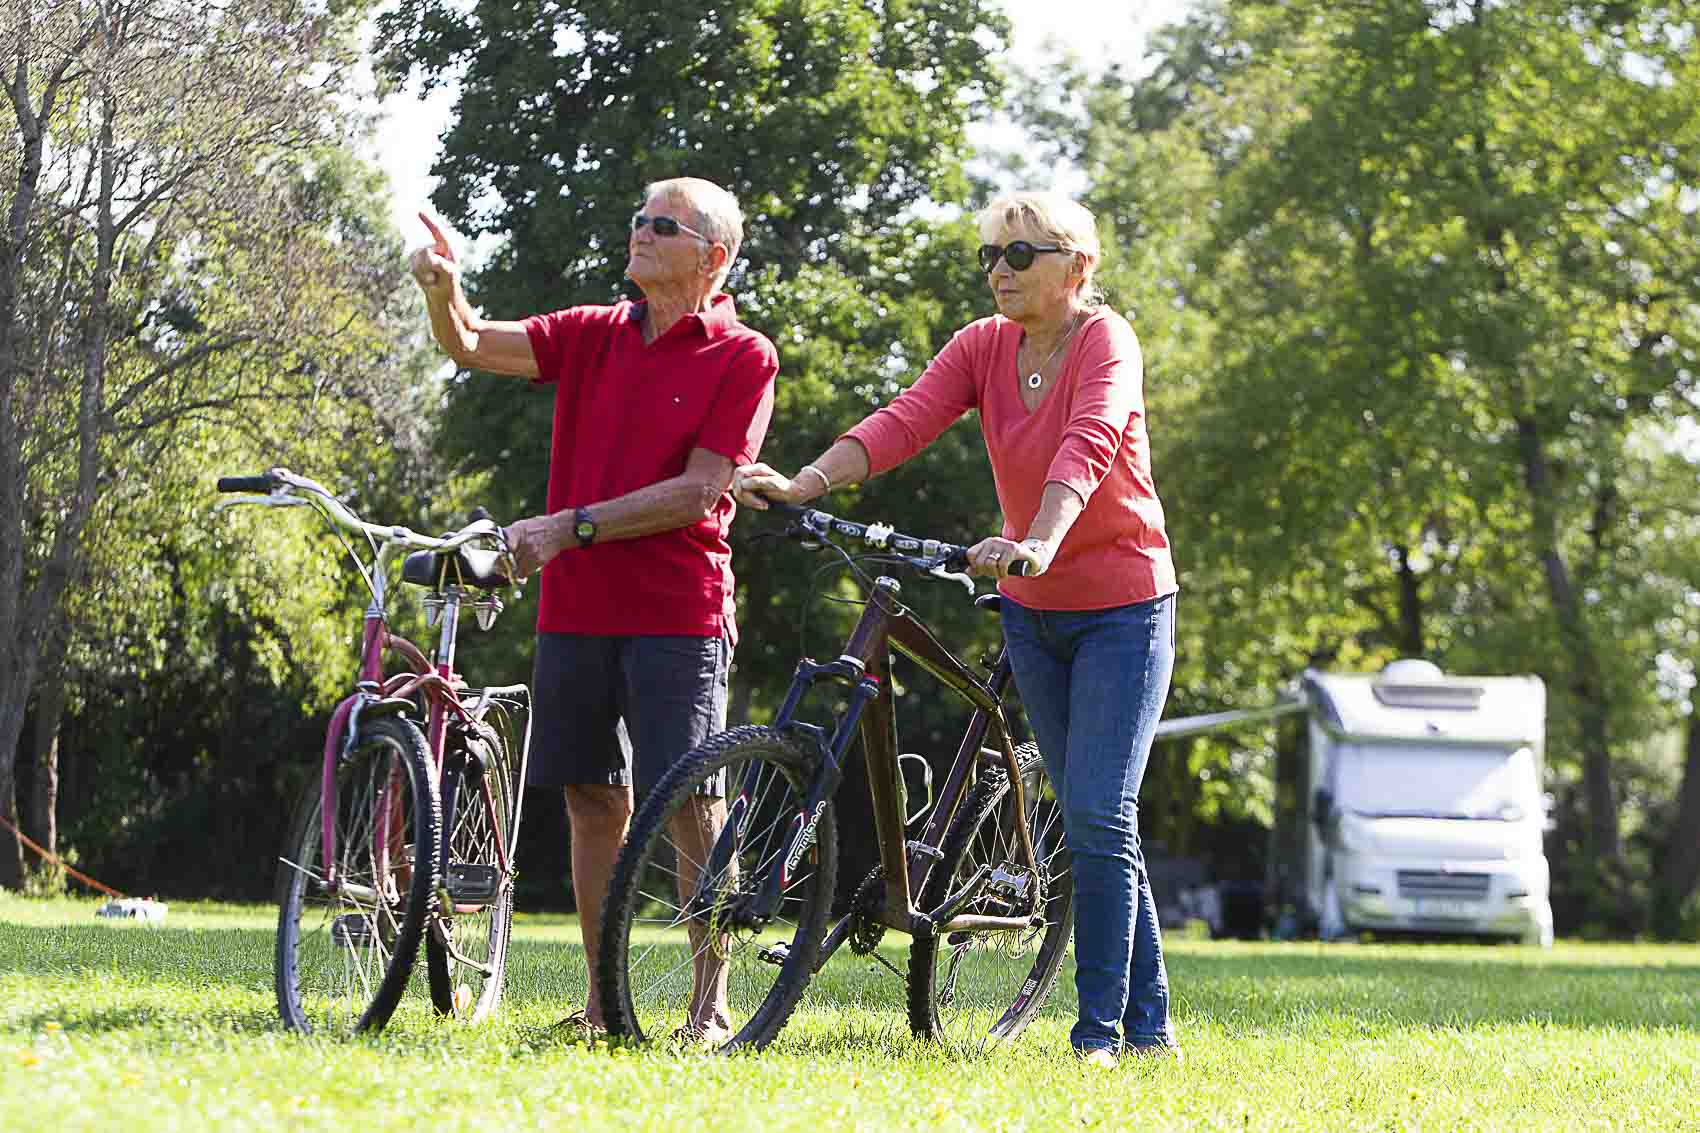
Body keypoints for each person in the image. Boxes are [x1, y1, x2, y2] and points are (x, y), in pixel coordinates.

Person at [733, 192, 1178, 1066]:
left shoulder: (1105, 340)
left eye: (1021, 254)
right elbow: (906, 419)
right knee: (1099, 816)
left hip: (1124, 608)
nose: (999, 271)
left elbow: (1088, 441)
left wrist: (1039, 538)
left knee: (1097, 810)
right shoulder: (983, 345)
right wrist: (804, 483)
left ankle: (1098, 1036)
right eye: (990, 256)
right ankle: (1151, 1024)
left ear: (1077, 267)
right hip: (1033, 611)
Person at [409, 177, 778, 1045]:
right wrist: (442, 289)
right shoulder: (591, 333)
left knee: (688, 796)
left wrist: (571, 527)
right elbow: (467, 344)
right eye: (637, 217)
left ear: (711, 256)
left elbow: (697, 493)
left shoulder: (742, 354)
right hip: (576, 610)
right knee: (589, 798)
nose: (639, 232)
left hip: (678, 612)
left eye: (661, 225)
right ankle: (606, 999)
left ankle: (709, 1003)